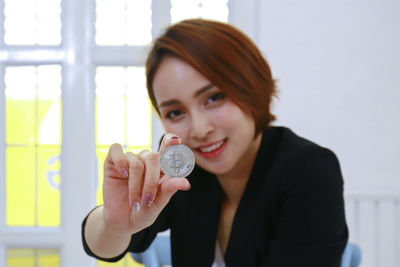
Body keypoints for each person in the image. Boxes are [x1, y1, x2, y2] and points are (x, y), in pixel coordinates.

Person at [82, 19, 348, 267]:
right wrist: (114, 224)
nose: (200, 129)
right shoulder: (183, 168)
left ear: (251, 85)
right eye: (175, 112)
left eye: (214, 98)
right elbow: (107, 245)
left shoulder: (308, 171)